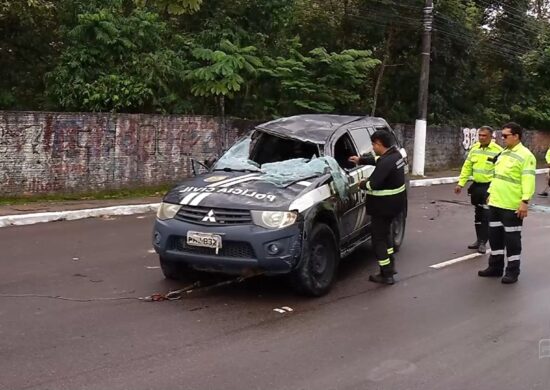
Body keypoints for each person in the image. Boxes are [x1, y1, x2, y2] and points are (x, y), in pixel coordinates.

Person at [478, 122, 536, 284]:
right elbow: (497, 176)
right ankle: (495, 268)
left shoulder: (526, 156)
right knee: (495, 238)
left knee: (512, 240)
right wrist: (490, 193)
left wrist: (524, 202)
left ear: (516, 136)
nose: (502, 139)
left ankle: (512, 271)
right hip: (496, 203)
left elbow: (528, 181)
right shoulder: (504, 153)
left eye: (505, 136)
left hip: (512, 205)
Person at [348, 130, 406, 285]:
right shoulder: (396, 155)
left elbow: (371, 184)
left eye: (373, 144)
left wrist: (359, 184)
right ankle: (391, 266)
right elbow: (377, 160)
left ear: (380, 143)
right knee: (386, 235)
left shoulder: (386, 162)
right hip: (395, 205)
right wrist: (361, 160)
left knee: (378, 240)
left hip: (382, 207)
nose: (373, 147)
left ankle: (386, 274)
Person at [454, 126, 503, 254]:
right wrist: (461, 183)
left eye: (484, 136)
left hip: (490, 186)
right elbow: (467, 166)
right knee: (478, 214)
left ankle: (483, 242)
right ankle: (478, 240)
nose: (481, 138)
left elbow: (500, 171)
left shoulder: (498, 151)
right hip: (477, 186)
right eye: (480, 135)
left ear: (491, 137)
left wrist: (494, 189)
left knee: (487, 214)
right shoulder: (474, 149)